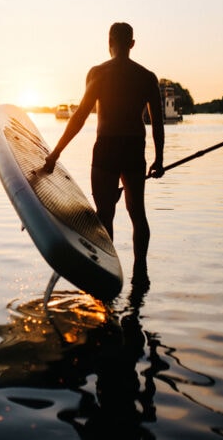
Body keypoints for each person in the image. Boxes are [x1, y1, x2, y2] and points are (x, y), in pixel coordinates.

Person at [43, 22, 165, 272]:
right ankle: (140, 272)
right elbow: (157, 124)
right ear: (132, 44)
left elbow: (79, 117)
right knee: (137, 214)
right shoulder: (147, 77)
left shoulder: (98, 73)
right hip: (133, 149)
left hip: (106, 149)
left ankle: (106, 270)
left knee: (104, 214)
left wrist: (56, 153)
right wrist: (159, 159)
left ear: (109, 42)